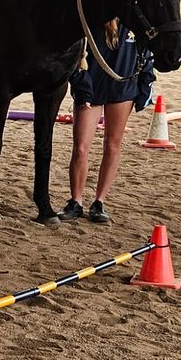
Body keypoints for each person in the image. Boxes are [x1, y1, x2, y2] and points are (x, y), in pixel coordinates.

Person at [61, 18, 156, 224]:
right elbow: (76, 56)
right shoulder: (91, 19)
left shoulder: (135, 21)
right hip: (91, 88)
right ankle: (76, 201)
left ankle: (99, 202)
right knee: (80, 148)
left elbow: (147, 56)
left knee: (112, 145)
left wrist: (143, 90)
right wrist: (81, 88)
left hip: (123, 89)